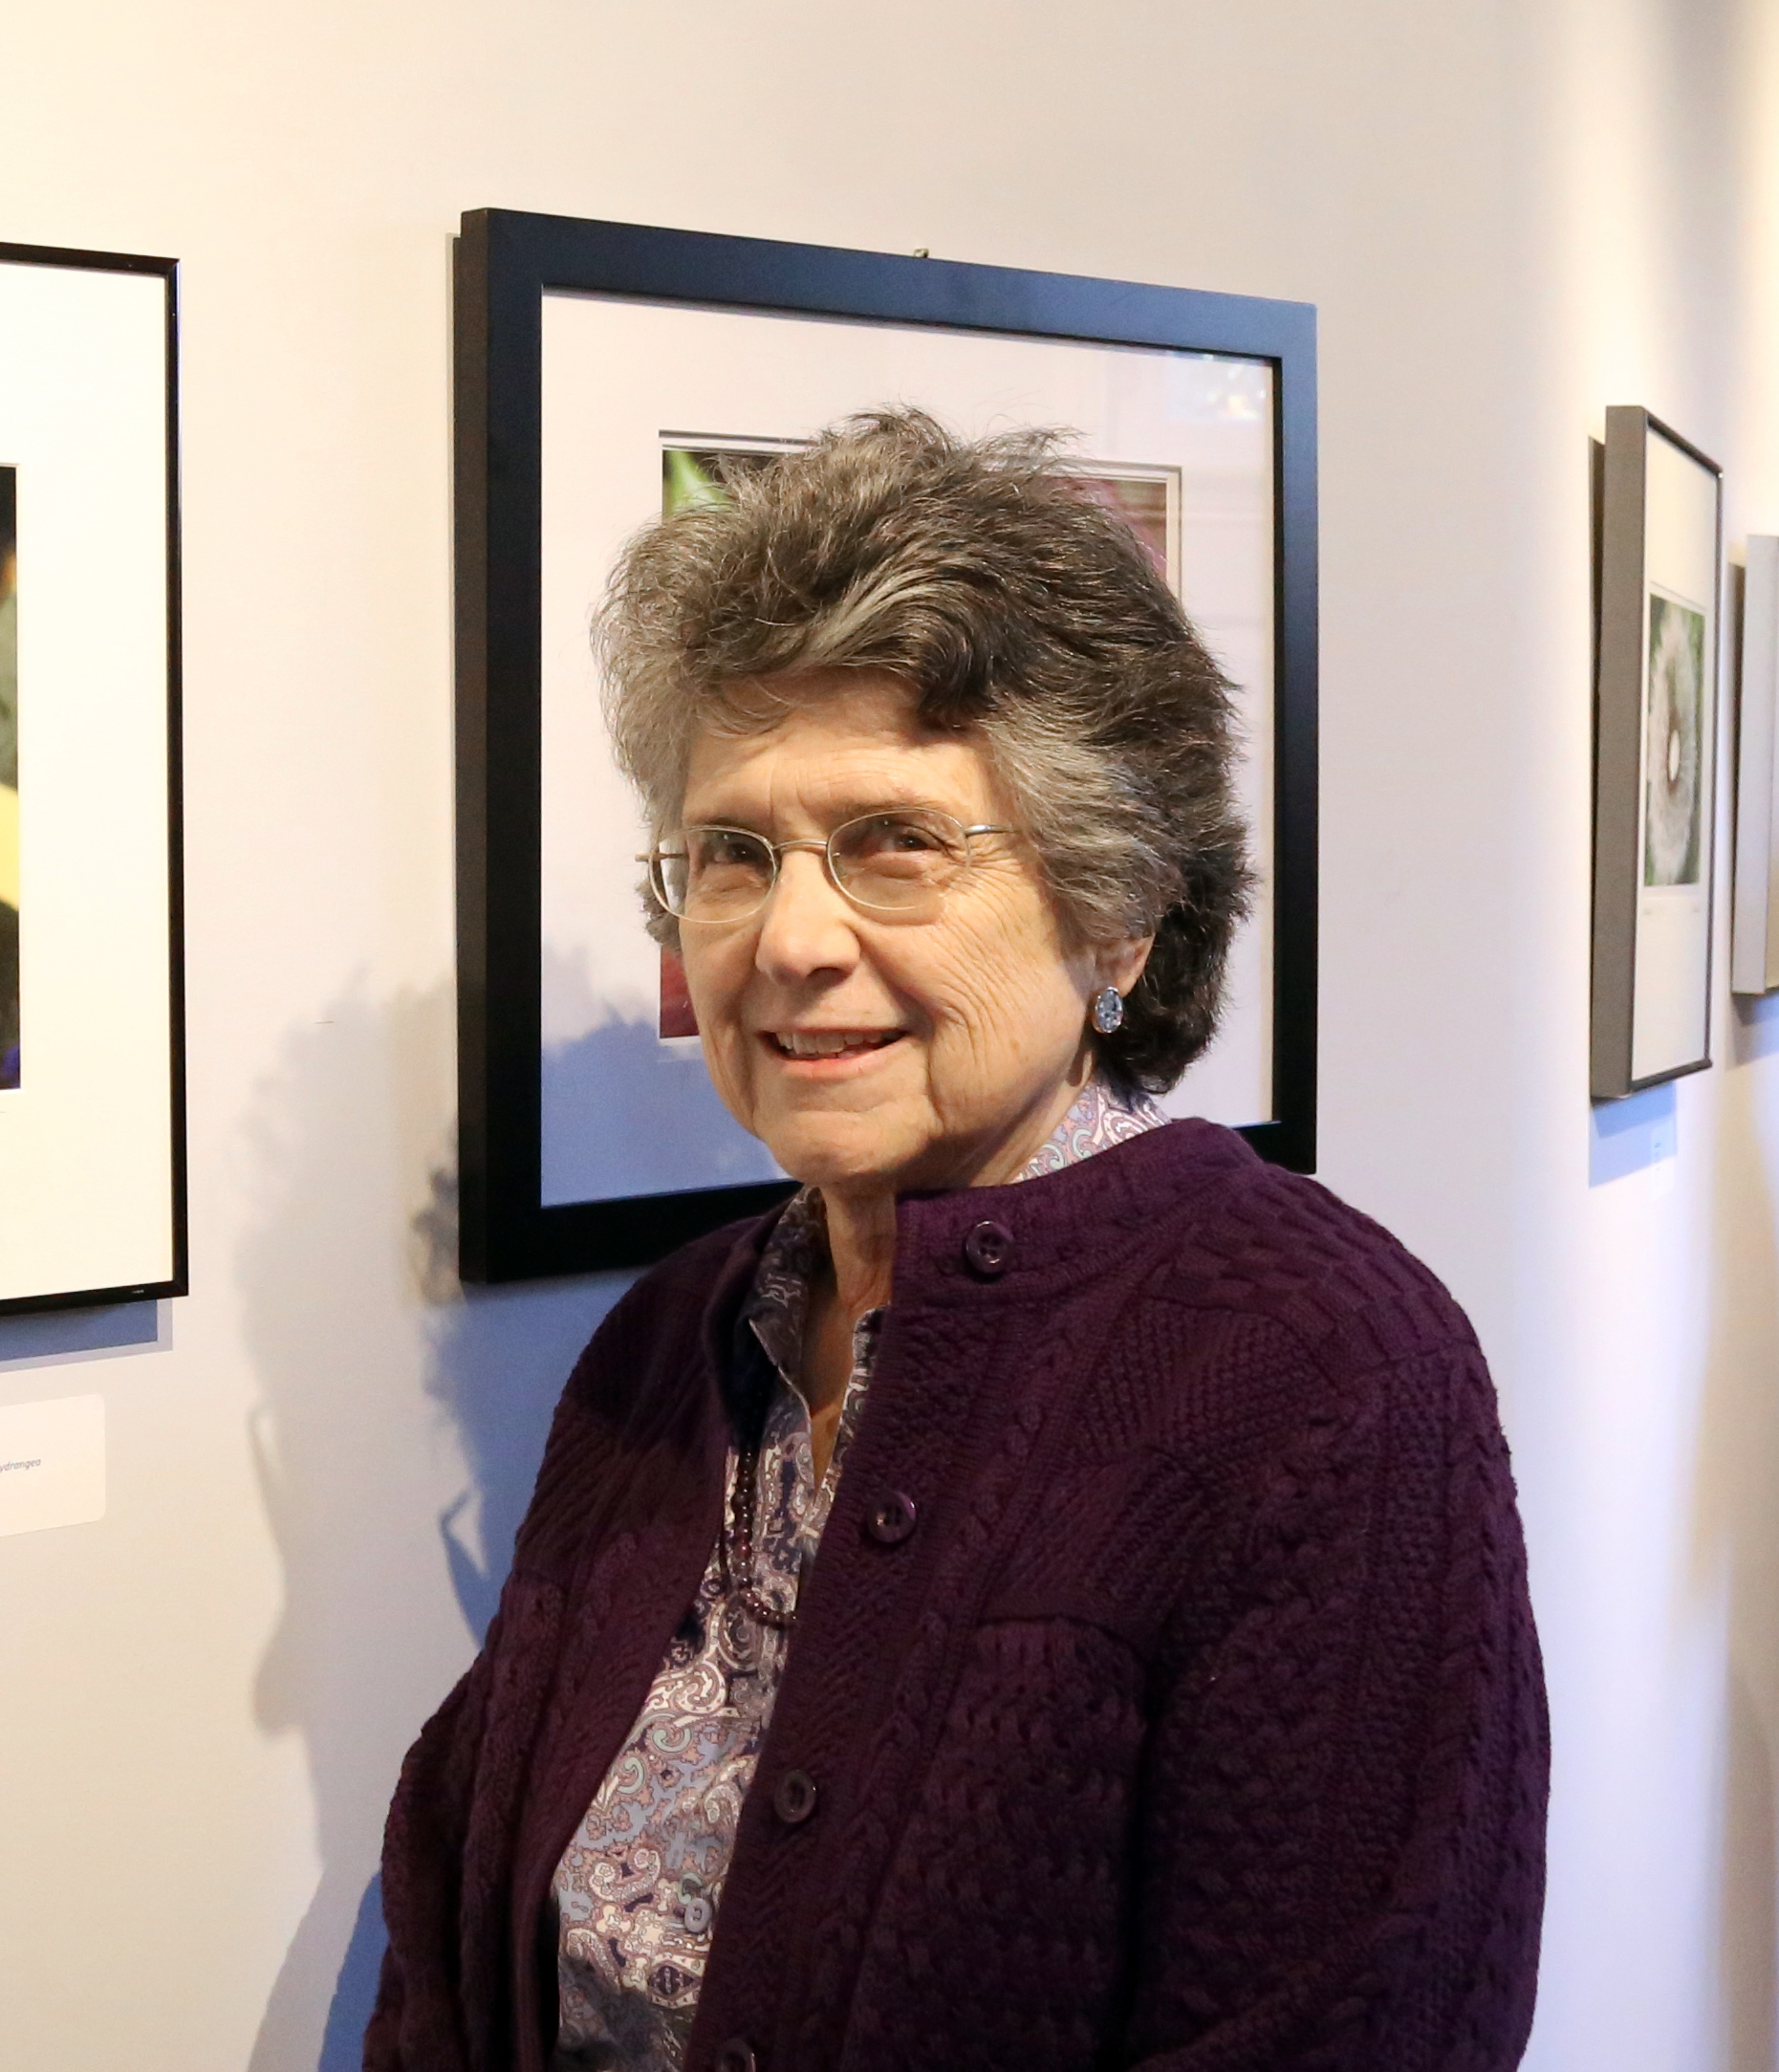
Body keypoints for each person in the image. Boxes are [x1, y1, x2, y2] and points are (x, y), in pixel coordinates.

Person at [368, 410, 1547, 2072]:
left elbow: (1355, 2024)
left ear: (1115, 908)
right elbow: (454, 1928)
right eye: (733, 855)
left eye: (897, 844)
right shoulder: (672, 1341)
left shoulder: (1322, 1374)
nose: (790, 939)